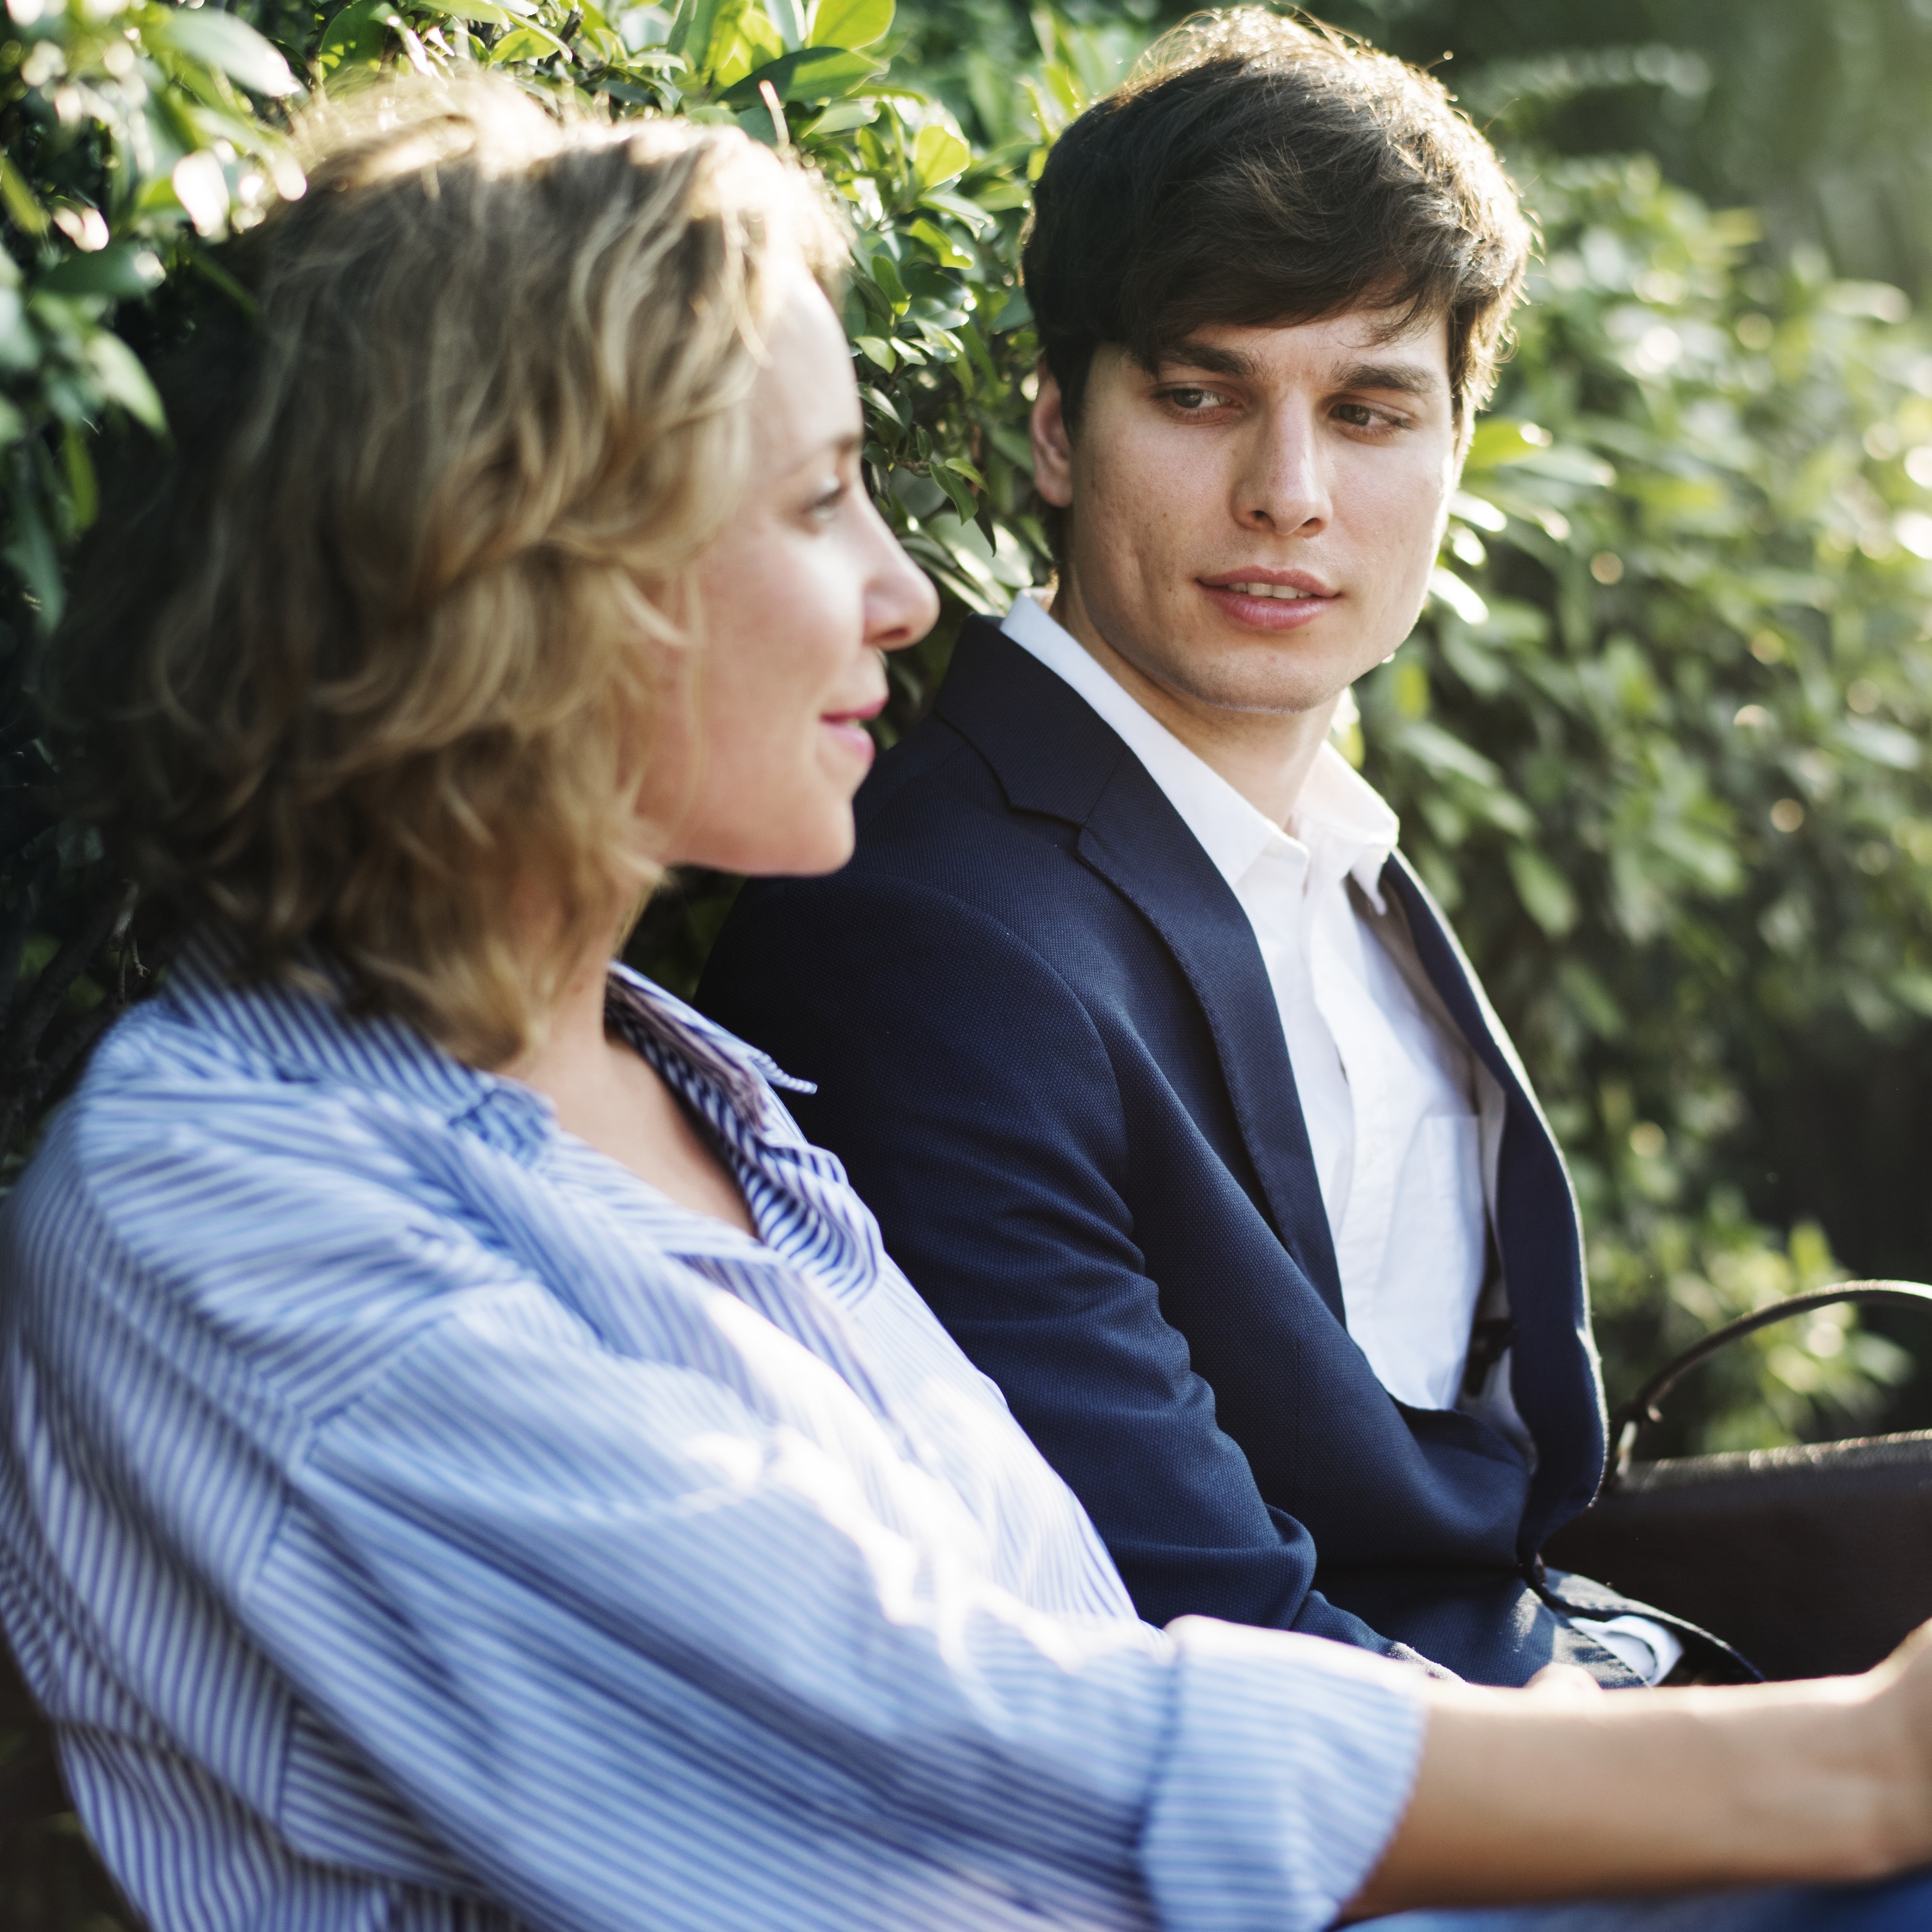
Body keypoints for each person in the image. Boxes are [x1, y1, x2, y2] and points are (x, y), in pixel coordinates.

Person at [4, 67, 1932, 1932]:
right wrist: (1842, 1769)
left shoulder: (693, 1085)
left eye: (1371, 413)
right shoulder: (227, 1199)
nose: (909, 592)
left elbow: (1079, 1648)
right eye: (821, 497)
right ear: (518, 567)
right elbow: (994, 1750)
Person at [698, 9, 1698, 1687]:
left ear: (1456, 445)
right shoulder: (929, 936)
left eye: (1371, 411)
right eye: (1198, 391)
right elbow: (1204, 1639)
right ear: (1053, 429)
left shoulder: (1329, 850)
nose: (1287, 491)